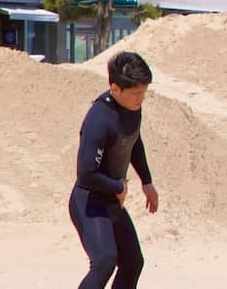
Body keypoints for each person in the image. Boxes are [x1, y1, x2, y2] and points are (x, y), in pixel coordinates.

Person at [70, 52, 161, 289]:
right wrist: (118, 186)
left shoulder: (132, 108)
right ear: (115, 88)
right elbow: (86, 174)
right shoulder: (99, 120)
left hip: (112, 199)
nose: (141, 99)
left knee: (132, 262)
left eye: (144, 92)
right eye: (136, 93)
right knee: (104, 262)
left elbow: (133, 141)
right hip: (89, 200)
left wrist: (147, 181)